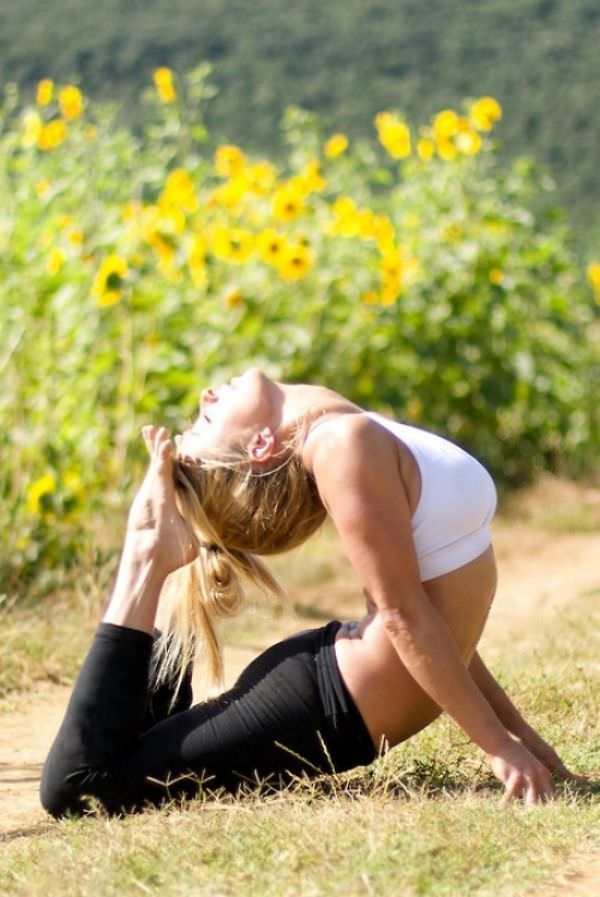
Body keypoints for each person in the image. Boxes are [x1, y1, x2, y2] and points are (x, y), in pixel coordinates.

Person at [41, 369, 583, 817]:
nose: (207, 395)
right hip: (323, 707)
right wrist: (497, 745)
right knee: (84, 784)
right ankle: (146, 557)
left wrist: (519, 735)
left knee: (142, 754)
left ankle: (154, 563)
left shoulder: (349, 428)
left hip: (329, 685)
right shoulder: (344, 445)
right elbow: (403, 616)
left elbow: (442, 627)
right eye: (207, 419)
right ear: (260, 445)